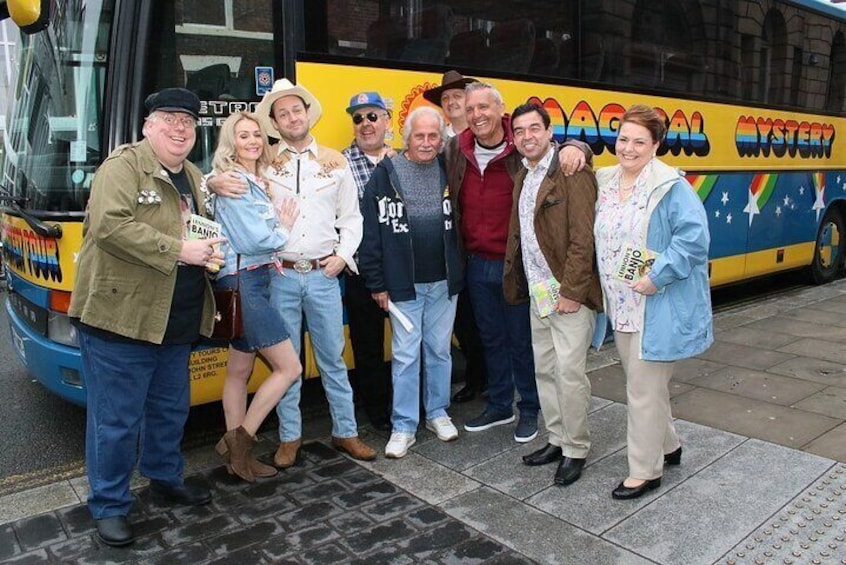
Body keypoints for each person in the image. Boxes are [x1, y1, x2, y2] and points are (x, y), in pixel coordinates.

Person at [68, 88, 224, 547]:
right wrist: (180, 249)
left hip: (174, 321)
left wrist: (209, 252)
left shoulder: (192, 175)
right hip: (122, 320)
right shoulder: (122, 167)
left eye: (188, 122)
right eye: (169, 119)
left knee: (169, 411)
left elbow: (199, 230)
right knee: (116, 422)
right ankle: (110, 504)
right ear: (147, 126)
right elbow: (110, 226)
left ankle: (164, 477)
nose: (180, 129)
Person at [208, 78, 376, 466]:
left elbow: (352, 218)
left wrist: (343, 255)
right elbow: (224, 181)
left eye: (296, 110)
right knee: (288, 363)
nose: (291, 117)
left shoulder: (336, 162)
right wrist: (212, 180)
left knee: (333, 357)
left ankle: (346, 432)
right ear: (276, 123)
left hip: (323, 274)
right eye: (282, 113)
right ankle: (289, 438)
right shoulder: (265, 164)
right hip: (278, 276)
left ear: (307, 115)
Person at [444, 81, 589, 443]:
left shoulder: (519, 149)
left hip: (516, 265)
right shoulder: (456, 149)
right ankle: (499, 404)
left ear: (500, 110)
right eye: (470, 108)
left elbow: (559, 155)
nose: (477, 115)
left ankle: (529, 408)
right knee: (490, 338)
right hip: (476, 262)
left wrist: (578, 145)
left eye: (484, 107)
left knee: (522, 341)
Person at [594, 104, 713, 499]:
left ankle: (645, 470)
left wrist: (655, 276)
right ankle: (669, 445)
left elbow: (694, 240)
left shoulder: (671, 186)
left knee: (641, 390)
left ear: (656, 144)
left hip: (653, 304)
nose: (627, 148)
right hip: (621, 305)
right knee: (644, 384)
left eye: (639, 141)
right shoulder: (606, 179)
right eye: (623, 138)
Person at [503, 103, 602, 487]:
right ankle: (558, 439)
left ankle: (576, 448)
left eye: (534, 129)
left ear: (548, 132)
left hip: (567, 294)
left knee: (569, 373)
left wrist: (573, 291)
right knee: (545, 370)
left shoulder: (571, 171)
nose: (527, 137)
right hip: (538, 293)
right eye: (520, 131)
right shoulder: (523, 176)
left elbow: (583, 238)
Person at [359, 106, 464, 458]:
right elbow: (369, 232)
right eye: (419, 136)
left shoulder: (450, 170)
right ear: (407, 138)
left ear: (441, 139)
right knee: (405, 356)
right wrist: (376, 282)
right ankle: (404, 425)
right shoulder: (385, 173)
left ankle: (437, 412)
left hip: (443, 283)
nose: (426, 142)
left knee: (439, 350)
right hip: (403, 284)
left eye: (433, 136)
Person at [210, 112, 302, 483]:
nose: (252, 141)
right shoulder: (234, 182)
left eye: (256, 135)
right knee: (289, 368)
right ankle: (240, 443)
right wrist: (284, 227)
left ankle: (236, 460)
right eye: (243, 135)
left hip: (246, 279)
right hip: (246, 281)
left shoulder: (249, 180)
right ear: (230, 143)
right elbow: (255, 239)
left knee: (239, 370)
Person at [423, 70, 487, 404]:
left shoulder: (486, 136)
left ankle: (491, 378)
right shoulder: (440, 143)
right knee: (464, 319)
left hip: (484, 242)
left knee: (485, 317)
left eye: (457, 97)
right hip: (454, 243)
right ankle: (478, 377)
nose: (451, 103)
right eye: (446, 99)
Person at [341, 91, 394, 431]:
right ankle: (377, 414)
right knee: (367, 346)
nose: (365, 124)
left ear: (387, 120)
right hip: (361, 271)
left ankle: (412, 406)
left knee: (410, 344)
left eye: (372, 116)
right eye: (358, 118)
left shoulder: (403, 159)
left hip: (404, 271)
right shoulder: (338, 163)